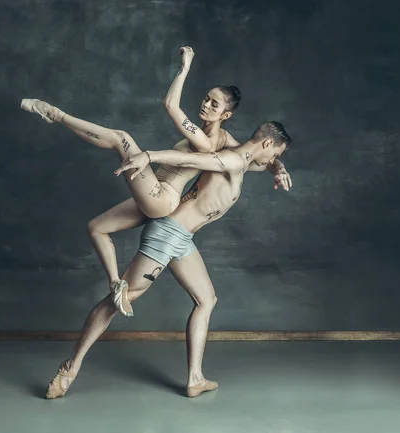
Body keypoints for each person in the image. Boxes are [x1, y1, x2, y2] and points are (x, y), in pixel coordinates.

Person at [44, 120, 292, 400]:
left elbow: (264, 164)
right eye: (275, 154)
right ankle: (69, 368)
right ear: (268, 143)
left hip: (182, 240)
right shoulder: (231, 159)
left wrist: (279, 168)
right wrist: (149, 156)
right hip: (167, 234)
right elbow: (188, 158)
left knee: (206, 300)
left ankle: (195, 379)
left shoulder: (242, 156)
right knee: (118, 300)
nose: (273, 160)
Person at [21, 47, 245, 317]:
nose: (206, 105)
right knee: (96, 228)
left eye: (214, 104)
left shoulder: (205, 140)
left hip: (162, 197)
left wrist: (185, 68)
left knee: (121, 138)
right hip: (154, 192)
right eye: (207, 99)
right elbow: (254, 155)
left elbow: (170, 105)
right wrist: (277, 166)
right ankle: (117, 284)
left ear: (225, 115)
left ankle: (55, 114)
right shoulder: (226, 140)